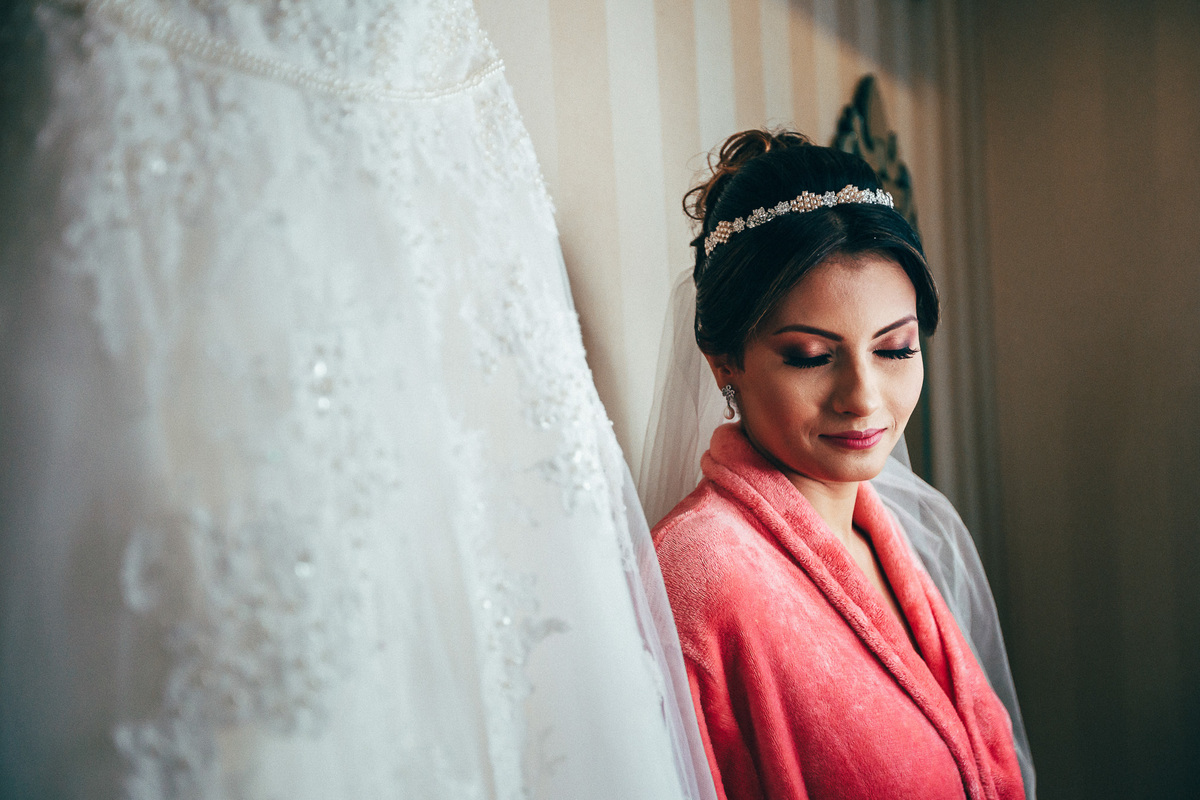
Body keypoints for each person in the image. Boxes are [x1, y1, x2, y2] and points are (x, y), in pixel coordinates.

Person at [645, 130, 1030, 800]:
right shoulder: (699, 582)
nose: (862, 398)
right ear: (724, 360)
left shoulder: (896, 533)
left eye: (896, 349)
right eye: (810, 355)